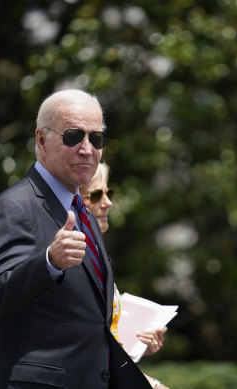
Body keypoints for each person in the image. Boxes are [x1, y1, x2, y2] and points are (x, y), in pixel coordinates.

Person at [0, 89, 151, 388]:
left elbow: (89, 326)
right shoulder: (13, 207)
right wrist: (48, 262)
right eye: (73, 136)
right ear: (41, 140)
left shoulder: (82, 212)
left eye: (96, 138)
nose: (87, 149)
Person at [79, 163, 168, 389]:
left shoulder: (96, 255)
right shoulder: (75, 258)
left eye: (108, 193)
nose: (108, 202)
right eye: (96, 194)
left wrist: (139, 345)